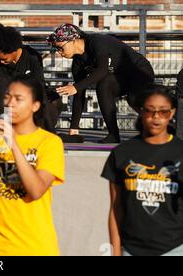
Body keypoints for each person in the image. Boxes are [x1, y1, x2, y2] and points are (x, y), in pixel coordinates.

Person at [0, 75, 65, 256]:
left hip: (35, 248)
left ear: (35, 106)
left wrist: (13, 143)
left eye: (19, 99)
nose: (10, 103)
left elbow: (36, 190)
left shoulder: (50, 143)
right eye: (7, 97)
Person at [102, 85, 183, 256]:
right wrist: (115, 251)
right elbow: (116, 209)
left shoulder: (180, 152)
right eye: (150, 110)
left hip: (175, 248)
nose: (156, 117)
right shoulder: (122, 153)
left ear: (173, 113)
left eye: (164, 112)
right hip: (131, 248)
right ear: (140, 111)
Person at [47, 23, 155, 143]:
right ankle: (113, 134)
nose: (59, 52)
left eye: (60, 47)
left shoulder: (97, 42)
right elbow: (79, 93)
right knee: (104, 85)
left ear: (73, 40)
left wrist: (76, 87)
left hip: (139, 71)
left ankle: (157, 127)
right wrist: (74, 129)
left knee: (133, 98)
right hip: (119, 78)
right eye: (56, 49)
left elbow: (102, 70)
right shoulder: (78, 62)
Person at [0, 23, 45, 87]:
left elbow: (39, 84)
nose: (1, 62)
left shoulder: (33, 57)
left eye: (4, 59)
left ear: (13, 51)